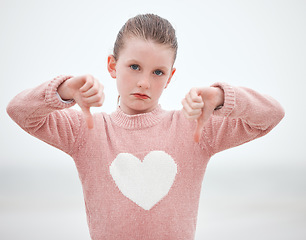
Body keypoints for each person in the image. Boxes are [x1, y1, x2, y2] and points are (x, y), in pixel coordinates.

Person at [7, 13, 285, 240]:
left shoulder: (195, 129)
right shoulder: (86, 129)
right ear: (113, 66)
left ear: (170, 76)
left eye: (158, 72)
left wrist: (224, 97)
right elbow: (19, 110)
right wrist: (64, 90)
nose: (144, 82)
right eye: (135, 67)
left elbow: (271, 115)